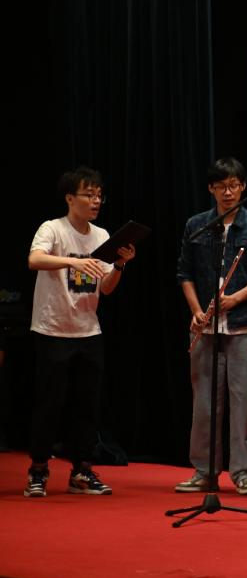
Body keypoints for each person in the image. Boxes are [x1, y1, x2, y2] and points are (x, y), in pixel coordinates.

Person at [25, 167, 136, 497]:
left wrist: (120, 265)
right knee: (49, 403)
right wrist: (73, 262)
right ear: (70, 198)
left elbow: (108, 288)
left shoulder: (102, 236)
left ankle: (82, 471)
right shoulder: (53, 228)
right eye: (89, 194)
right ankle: (38, 470)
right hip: (52, 328)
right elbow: (35, 260)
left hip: (88, 331)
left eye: (99, 195)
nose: (96, 200)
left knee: (87, 405)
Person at [175, 157, 247, 496]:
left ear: (243, 186)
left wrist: (235, 298)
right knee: (204, 404)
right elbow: (184, 272)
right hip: (205, 327)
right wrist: (196, 310)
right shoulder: (197, 225)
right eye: (220, 186)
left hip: (243, 326)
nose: (227, 192)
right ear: (211, 189)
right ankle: (204, 470)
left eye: (233, 185)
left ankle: (243, 472)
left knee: (245, 404)